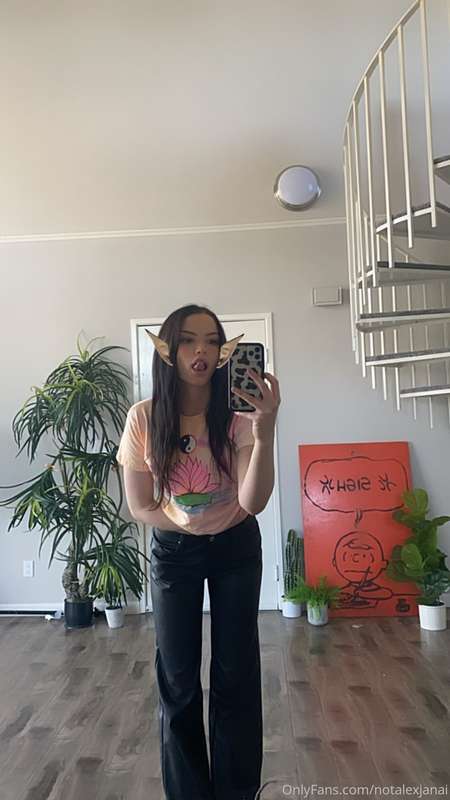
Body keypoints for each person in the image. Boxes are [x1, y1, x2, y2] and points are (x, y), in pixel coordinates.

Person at [115, 304, 281, 800]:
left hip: (236, 548)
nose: (201, 351)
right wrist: (189, 524)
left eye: (212, 340)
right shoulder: (144, 418)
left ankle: (237, 791)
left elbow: (253, 502)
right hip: (174, 553)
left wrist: (265, 430)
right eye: (188, 340)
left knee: (236, 673)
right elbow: (139, 505)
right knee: (178, 678)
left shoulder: (239, 416)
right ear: (168, 351)